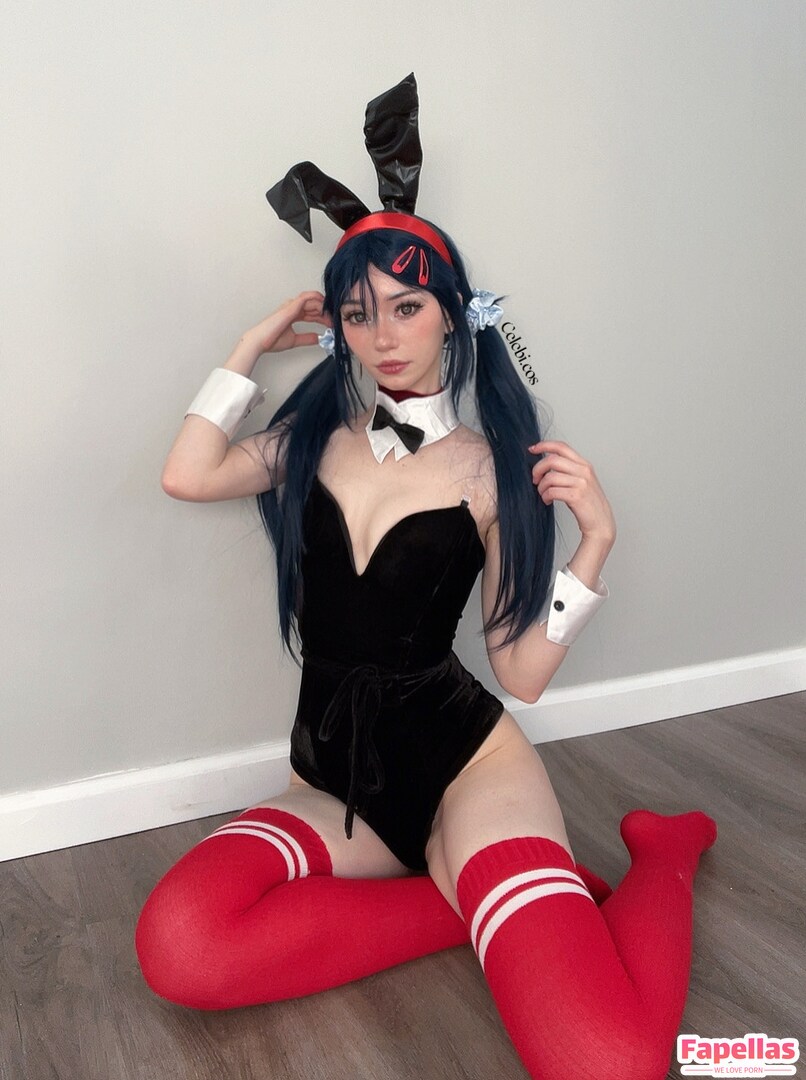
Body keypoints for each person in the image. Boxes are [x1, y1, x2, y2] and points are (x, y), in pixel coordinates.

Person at [135, 77, 717, 1080]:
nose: (384, 336)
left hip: (466, 776)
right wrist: (248, 348)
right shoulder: (308, 440)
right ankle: (477, 909)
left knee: (606, 1063)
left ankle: (662, 852)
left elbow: (520, 674)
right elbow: (186, 475)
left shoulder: (493, 472)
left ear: (453, 316)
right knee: (180, 948)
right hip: (336, 780)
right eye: (359, 313)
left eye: (407, 308)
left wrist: (593, 546)